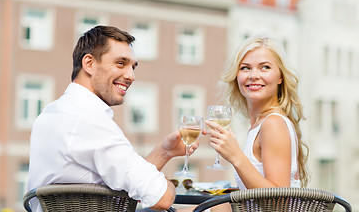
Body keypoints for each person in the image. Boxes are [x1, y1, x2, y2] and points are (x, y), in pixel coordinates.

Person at [27, 25, 198, 212]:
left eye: (133, 67)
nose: (131, 76)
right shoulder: (89, 119)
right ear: (89, 64)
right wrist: (164, 183)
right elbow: (161, 198)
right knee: (213, 209)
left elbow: (123, 178)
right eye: (120, 63)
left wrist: (164, 151)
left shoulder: (52, 112)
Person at [206, 36, 309, 210]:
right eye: (245, 68)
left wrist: (235, 156)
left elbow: (278, 203)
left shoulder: (273, 124)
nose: (254, 75)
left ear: (280, 77)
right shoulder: (260, 123)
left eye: (265, 68)